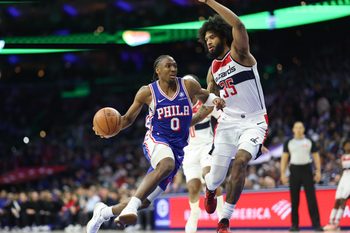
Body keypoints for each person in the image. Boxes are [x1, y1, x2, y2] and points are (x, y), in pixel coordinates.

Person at [86, 55, 225, 233]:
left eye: (175, 66)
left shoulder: (188, 86)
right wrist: (109, 131)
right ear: (158, 70)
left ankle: (104, 212)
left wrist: (216, 100)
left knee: (144, 201)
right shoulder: (147, 92)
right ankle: (131, 207)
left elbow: (205, 97)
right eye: (168, 66)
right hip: (156, 139)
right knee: (166, 164)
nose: (173, 69)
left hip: (177, 150)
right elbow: (127, 119)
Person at [191, 1, 269, 232]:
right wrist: (193, 119)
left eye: (212, 37)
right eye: (206, 40)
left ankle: (225, 219)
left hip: (254, 122)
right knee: (214, 178)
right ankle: (210, 190)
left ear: (223, 36)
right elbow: (209, 104)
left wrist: (209, 2)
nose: (209, 42)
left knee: (241, 161)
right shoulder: (213, 69)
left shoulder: (240, 54)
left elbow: (239, 24)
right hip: (227, 123)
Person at [182, 74, 224, 233]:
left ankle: (222, 220)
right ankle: (194, 213)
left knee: (210, 179)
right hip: (188, 152)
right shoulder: (177, 105)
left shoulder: (205, 101)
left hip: (207, 146)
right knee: (193, 188)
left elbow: (222, 117)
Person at [280, 121, 323, 231]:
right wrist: (282, 174)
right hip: (294, 171)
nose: (298, 129)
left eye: (300, 127)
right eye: (296, 127)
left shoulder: (309, 141)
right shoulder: (288, 142)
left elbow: (316, 157)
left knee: (311, 199)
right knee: (294, 200)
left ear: (303, 129)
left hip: (307, 170)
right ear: (293, 129)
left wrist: (318, 171)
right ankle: (295, 225)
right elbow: (284, 159)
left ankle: (317, 225)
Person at [323, 139, 350, 231]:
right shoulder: (342, 157)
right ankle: (331, 221)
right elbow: (342, 169)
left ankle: (337, 223)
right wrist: (340, 179)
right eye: (346, 145)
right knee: (337, 199)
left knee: (343, 199)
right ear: (344, 146)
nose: (348, 146)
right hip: (343, 179)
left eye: (349, 145)